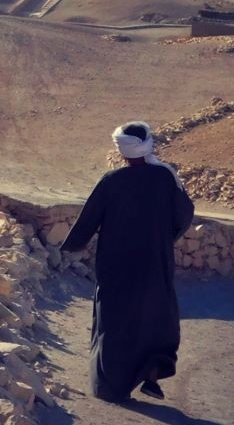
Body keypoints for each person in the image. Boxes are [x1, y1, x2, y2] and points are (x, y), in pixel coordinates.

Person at [61, 121, 195, 402]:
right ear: (147, 145)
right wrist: (164, 238)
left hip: (116, 264)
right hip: (154, 264)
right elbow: (184, 215)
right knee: (157, 318)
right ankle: (152, 375)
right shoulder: (165, 178)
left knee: (115, 321)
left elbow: (89, 219)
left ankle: (110, 387)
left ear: (121, 151)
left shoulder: (112, 181)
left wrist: (71, 247)